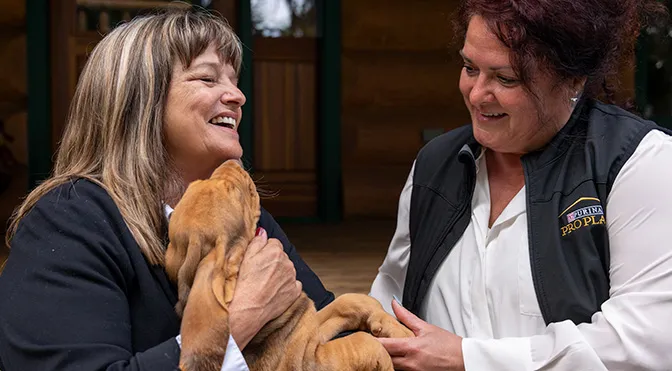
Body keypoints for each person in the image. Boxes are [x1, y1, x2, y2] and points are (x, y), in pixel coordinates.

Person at [0, 8, 334, 371]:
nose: (237, 95)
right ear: (140, 101)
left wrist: (392, 346)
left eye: (234, 80)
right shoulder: (69, 220)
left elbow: (325, 324)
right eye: (207, 78)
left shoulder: (241, 214)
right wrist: (235, 323)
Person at [370, 1, 672, 370]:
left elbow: (646, 344)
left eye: (505, 78)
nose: (477, 94)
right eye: (469, 68)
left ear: (572, 80)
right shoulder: (435, 165)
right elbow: (390, 299)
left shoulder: (641, 164)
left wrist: (468, 359)